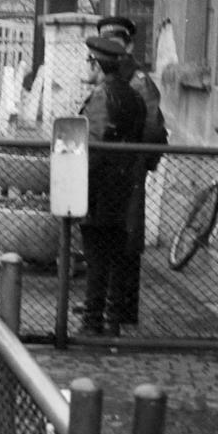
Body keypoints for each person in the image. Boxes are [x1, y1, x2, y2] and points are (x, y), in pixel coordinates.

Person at [96, 15, 168, 326]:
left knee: (127, 238)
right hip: (112, 170)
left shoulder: (139, 81)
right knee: (114, 236)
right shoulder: (114, 77)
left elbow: (154, 131)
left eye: (116, 43)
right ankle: (113, 306)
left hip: (128, 168)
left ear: (127, 44)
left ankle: (123, 309)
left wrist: (137, 162)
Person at [78, 30, 146, 337]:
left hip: (98, 189)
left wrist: (81, 183)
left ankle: (92, 321)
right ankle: (113, 317)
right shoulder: (134, 96)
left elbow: (95, 144)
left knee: (95, 257)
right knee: (117, 255)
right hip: (125, 188)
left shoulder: (101, 97)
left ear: (96, 64)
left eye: (88, 62)